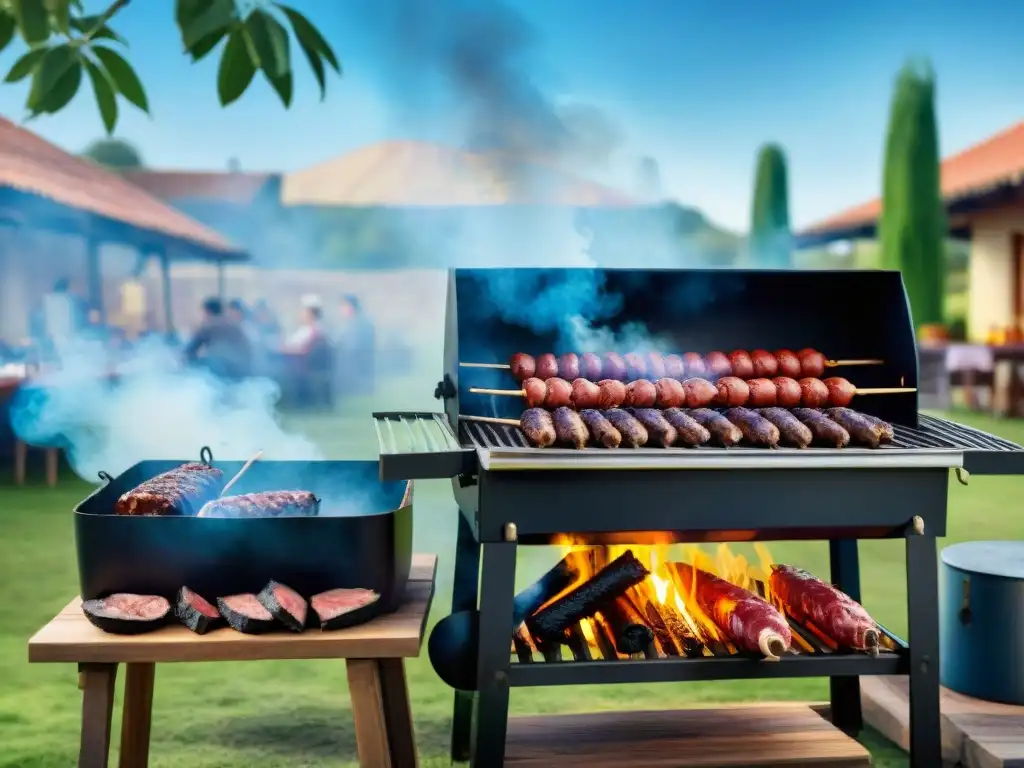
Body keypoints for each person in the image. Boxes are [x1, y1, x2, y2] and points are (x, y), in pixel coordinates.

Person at [183, 297, 252, 381]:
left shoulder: (209, 326)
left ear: (207, 311)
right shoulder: (236, 326)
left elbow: (189, 351)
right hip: (241, 372)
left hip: (218, 371)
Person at [334, 294, 376, 395]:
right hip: (354, 357)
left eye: (344, 306)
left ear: (352, 307)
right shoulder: (352, 322)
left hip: (357, 358)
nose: (342, 309)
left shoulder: (359, 322)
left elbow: (353, 345)